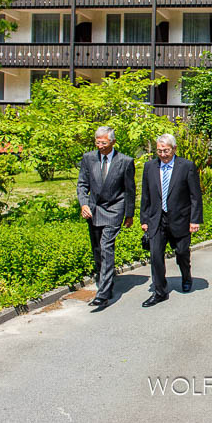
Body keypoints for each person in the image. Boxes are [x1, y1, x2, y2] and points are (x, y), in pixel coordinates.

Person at [140, 133, 203, 307]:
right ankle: (160, 291)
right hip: (157, 219)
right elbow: (146, 194)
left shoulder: (186, 166)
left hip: (180, 219)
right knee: (156, 255)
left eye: (166, 150)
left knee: (182, 252)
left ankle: (186, 276)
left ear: (174, 149)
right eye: (159, 150)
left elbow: (195, 196)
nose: (162, 154)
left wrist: (195, 220)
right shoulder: (150, 167)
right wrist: (144, 218)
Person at [76, 126, 135, 309]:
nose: (100, 146)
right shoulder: (88, 158)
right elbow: (82, 184)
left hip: (114, 208)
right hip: (93, 209)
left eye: (104, 142)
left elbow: (130, 190)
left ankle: (102, 294)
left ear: (113, 142)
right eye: (98, 142)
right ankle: (105, 282)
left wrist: (129, 214)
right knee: (97, 249)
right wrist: (84, 204)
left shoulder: (125, 161)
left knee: (106, 247)